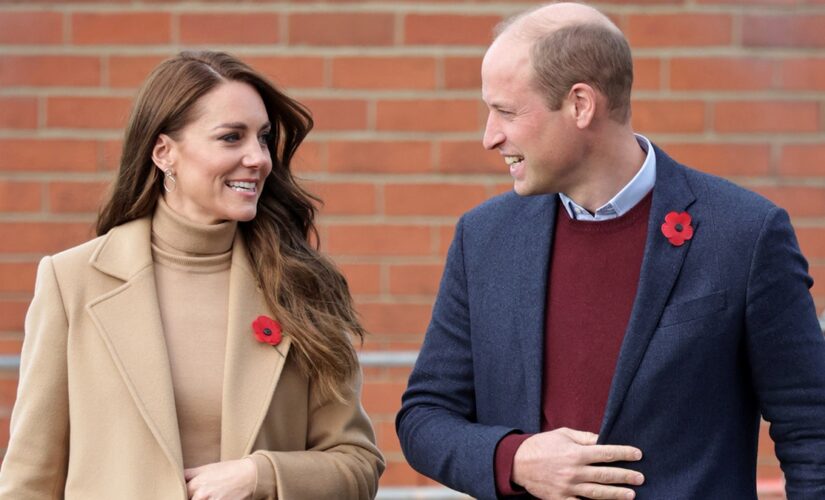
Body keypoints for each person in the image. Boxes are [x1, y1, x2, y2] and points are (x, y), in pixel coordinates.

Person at [396, 3, 825, 499]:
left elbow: (812, 427)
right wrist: (514, 458)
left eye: (507, 111)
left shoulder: (745, 233)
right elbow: (424, 416)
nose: (490, 136)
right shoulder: (484, 237)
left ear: (580, 104)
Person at [0, 50, 384, 500]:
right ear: (165, 153)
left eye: (262, 138)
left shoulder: (300, 285)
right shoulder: (72, 282)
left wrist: (260, 476)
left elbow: (357, 463)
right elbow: (30, 478)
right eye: (230, 138)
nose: (258, 158)